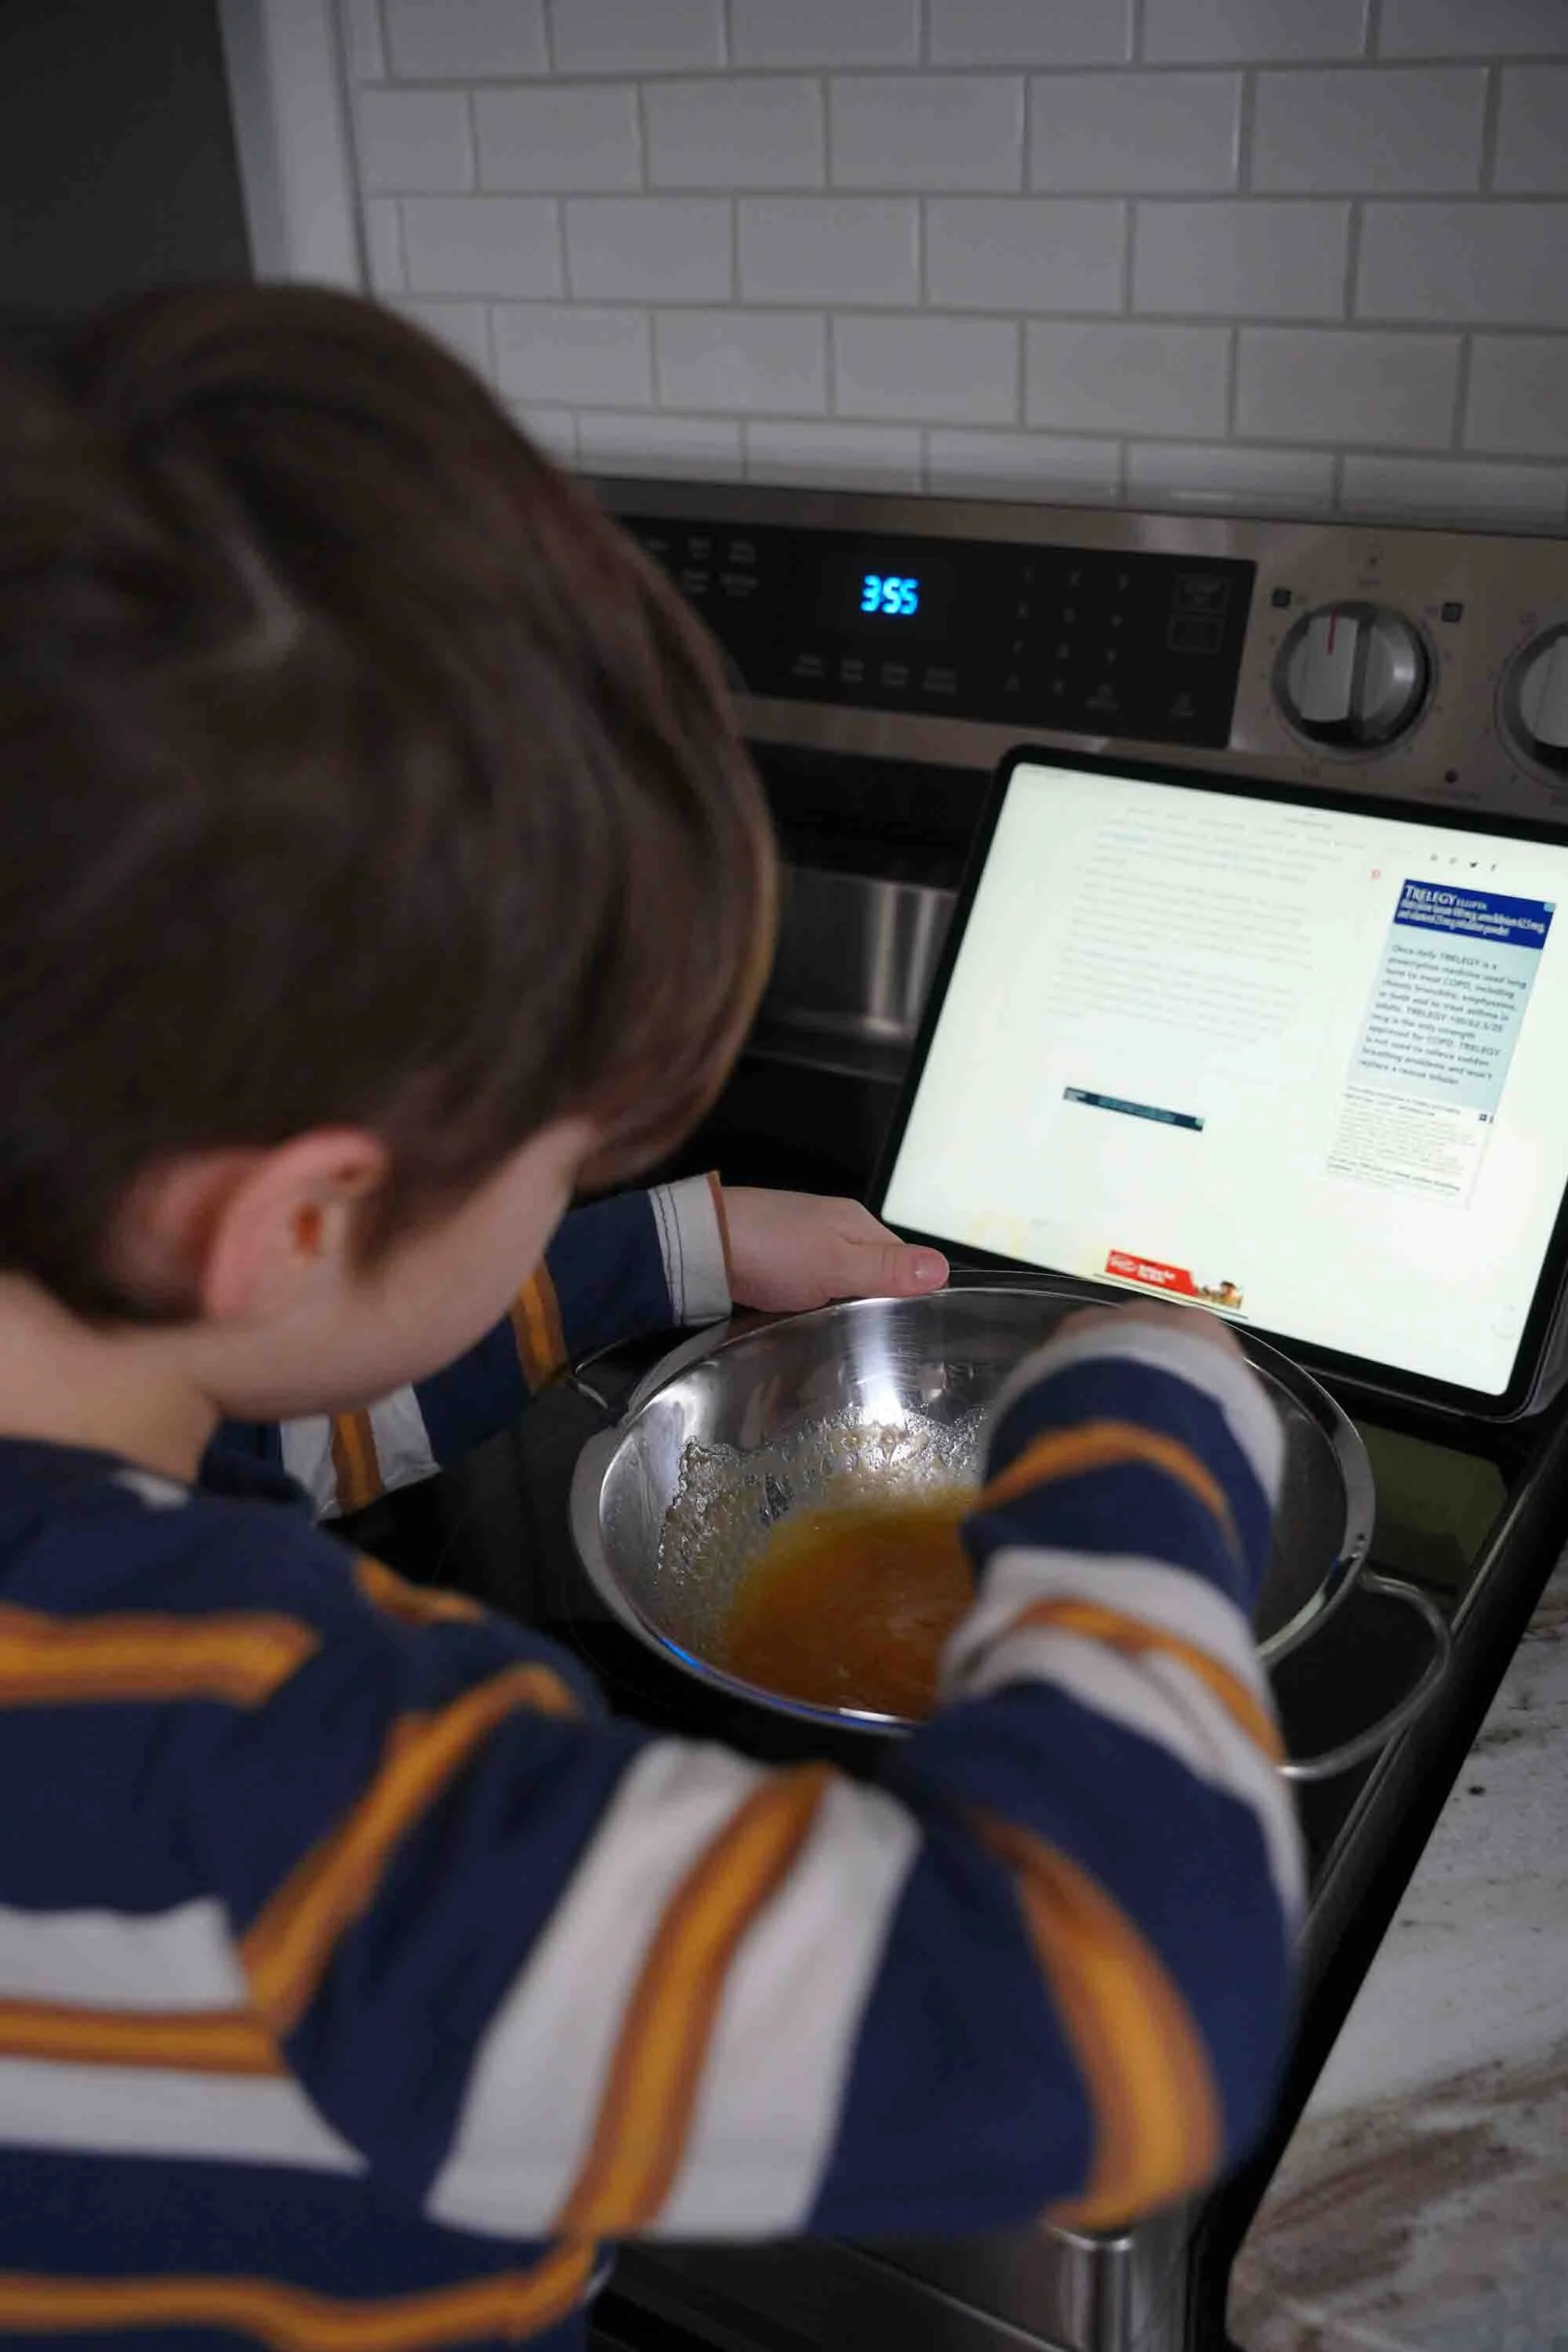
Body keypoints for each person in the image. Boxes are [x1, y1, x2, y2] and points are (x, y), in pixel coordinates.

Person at [0, 284, 1301, 2351]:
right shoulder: (292, 1807)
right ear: (299, 1215)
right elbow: (1131, 2016)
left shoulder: (98, 1462)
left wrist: (663, 1253)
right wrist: (1144, 1419)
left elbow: (244, 1423)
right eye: (559, 1148)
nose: (576, 1181)